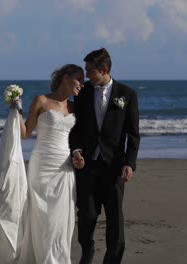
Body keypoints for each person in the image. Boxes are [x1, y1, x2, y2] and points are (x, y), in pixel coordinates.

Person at [69, 48, 140, 264]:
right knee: (87, 215)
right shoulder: (82, 93)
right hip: (87, 165)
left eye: (90, 71)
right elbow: (75, 128)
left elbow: (133, 133)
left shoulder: (127, 94)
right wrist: (76, 150)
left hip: (114, 166)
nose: (86, 74)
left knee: (114, 218)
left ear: (104, 70)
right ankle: (87, 250)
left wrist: (130, 163)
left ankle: (112, 260)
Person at [14, 64, 84, 263]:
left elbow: (79, 138)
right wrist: (16, 109)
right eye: (79, 78)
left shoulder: (75, 107)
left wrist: (78, 154)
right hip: (42, 164)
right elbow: (25, 133)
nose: (82, 84)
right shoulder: (41, 100)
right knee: (41, 217)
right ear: (65, 78)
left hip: (64, 168)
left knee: (60, 221)